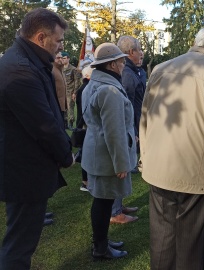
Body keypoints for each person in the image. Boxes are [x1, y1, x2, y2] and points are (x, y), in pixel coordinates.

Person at [140, 22, 204, 270]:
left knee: (163, 240)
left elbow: (144, 120)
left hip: (160, 169)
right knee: (192, 247)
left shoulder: (161, 70)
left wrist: (145, 159)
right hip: (196, 175)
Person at [0, 8, 74, 269]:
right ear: (41, 38)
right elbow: (43, 126)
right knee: (19, 245)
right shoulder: (20, 69)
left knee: (21, 240)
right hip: (24, 172)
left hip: (23, 169)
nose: (61, 46)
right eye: (59, 39)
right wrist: (67, 155)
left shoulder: (25, 60)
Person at [81, 43, 137, 259]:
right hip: (106, 156)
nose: (124, 64)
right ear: (113, 64)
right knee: (103, 203)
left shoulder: (94, 85)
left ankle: (101, 241)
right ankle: (100, 247)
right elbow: (114, 131)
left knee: (102, 201)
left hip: (97, 152)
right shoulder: (109, 90)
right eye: (122, 61)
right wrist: (121, 163)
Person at [106, 35, 144, 224]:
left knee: (126, 167)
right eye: (139, 50)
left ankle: (118, 206)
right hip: (128, 126)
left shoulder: (131, 71)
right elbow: (125, 106)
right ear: (131, 52)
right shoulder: (128, 74)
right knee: (121, 168)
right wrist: (133, 131)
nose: (141, 53)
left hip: (132, 125)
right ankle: (115, 211)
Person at [75, 61, 93, 192]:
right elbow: (83, 109)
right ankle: (85, 182)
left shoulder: (85, 87)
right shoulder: (85, 89)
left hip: (84, 124)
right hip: (85, 125)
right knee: (85, 153)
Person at [62, 51, 82, 129]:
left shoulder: (73, 69)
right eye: (62, 58)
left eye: (64, 58)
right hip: (63, 92)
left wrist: (75, 92)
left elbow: (77, 81)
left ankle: (70, 123)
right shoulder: (60, 69)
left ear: (68, 59)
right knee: (64, 109)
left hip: (70, 92)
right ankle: (65, 123)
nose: (62, 60)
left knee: (70, 108)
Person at [53, 52, 68, 124]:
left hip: (62, 105)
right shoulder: (52, 70)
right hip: (55, 105)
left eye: (61, 58)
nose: (60, 59)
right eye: (58, 58)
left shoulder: (61, 70)